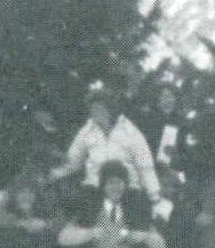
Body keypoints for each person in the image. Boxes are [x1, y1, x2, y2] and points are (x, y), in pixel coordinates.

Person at [50, 86, 171, 221]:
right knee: (85, 220)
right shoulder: (87, 131)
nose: (95, 113)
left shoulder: (130, 131)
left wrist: (154, 196)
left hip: (127, 189)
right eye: (93, 109)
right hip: (95, 188)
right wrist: (54, 174)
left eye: (99, 109)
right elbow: (72, 161)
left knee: (136, 223)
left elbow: (145, 166)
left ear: (110, 110)